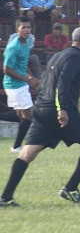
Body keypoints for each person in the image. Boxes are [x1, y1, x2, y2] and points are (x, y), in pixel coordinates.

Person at [0, 28, 80, 207]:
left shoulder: (58, 55)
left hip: (42, 109)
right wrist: (62, 109)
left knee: (27, 153)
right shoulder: (76, 57)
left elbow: (47, 82)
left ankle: (5, 197)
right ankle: (70, 189)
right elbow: (62, 82)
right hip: (62, 112)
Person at [2, 18, 38, 153]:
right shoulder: (14, 46)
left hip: (21, 83)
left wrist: (30, 77)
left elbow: (22, 65)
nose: (26, 30)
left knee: (23, 116)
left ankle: (17, 146)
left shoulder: (27, 43)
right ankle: (17, 146)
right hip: (13, 85)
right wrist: (27, 79)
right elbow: (6, 69)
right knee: (28, 116)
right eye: (23, 27)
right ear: (17, 29)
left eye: (28, 27)